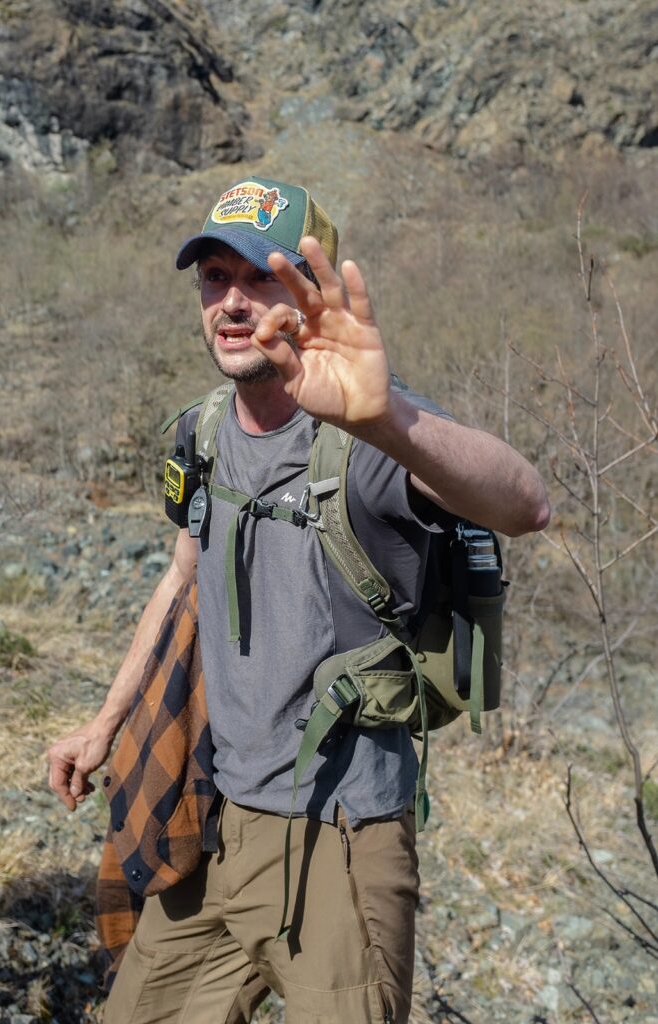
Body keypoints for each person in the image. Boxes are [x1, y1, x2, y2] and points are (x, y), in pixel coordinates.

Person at [47, 176, 550, 1023]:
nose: (232, 303)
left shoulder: (371, 434)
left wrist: (383, 416)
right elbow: (181, 579)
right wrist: (106, 724)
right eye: (213, 279)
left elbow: (524, 505)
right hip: (211, 817)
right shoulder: (199, 431)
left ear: (308, 293)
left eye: (260, 277)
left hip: (340, 838)